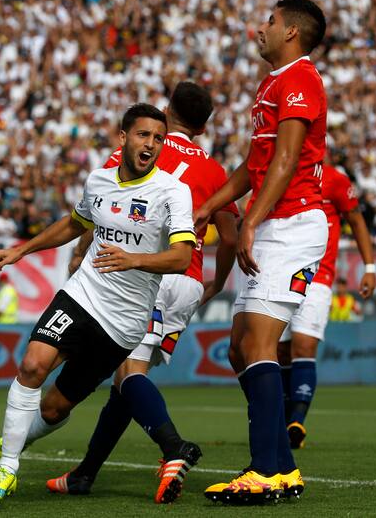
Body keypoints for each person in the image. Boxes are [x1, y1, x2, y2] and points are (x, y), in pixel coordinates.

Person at [29, 81, 239, 503]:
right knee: (125, 380)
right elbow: (230, 237)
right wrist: (216, 282)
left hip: (145, 273)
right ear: (201, 128)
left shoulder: (140, 147)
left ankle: (173, 447)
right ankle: (85, 474)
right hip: (188, 278)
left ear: (167, 111)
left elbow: (110, 206)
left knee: (127, 374)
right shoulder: (215, 171)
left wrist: (81, 252)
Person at [0, 104, 196, 504]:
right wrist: (22, 249)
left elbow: (182, 256)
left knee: (56, 408)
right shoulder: (98, 181)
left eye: (159, 138)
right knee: (32, 364)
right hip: (83, 294)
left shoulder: (172, 191)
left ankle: (17, 436)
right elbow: (76, 223)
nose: (151, 144)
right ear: (124, 137)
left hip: (124, 323)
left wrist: (136, 260)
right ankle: (6, 468)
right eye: (144, 135)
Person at [194, 0, 328, 504]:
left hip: (292, 226)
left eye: (270, 21)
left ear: (291, 31)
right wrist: (211, 206)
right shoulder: (272, 82)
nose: (260, 28)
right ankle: (285, 469)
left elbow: (288, 159)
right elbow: (256, 164)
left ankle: (264, 470)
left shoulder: (299, 79)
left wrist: (248, 220)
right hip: (275, 223)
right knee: (238, 348)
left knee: (258, 346)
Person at [277, 165, 376, 450]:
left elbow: (356, 221)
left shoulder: (334, 180)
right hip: (279, 273)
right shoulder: (283, 171)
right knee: (279, 351)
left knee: (304, 347)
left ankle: (297, 421)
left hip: (317, 277)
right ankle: (282, 421)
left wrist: (369, 267)